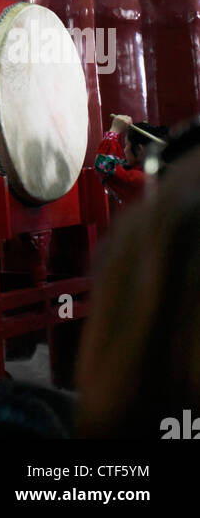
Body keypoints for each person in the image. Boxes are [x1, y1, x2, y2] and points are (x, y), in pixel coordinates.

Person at [76, 148, 200, 439]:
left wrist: (114, 132)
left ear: (142, 151)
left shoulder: (141, 181)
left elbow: (103, 164)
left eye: (129, 150)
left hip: (142, 268)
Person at [93, 114, 168, 208]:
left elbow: (103, 164)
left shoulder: (140, 180)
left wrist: (114, 130)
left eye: (126, 145)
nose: (124, 150)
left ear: (139, 149)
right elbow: (119, 163)